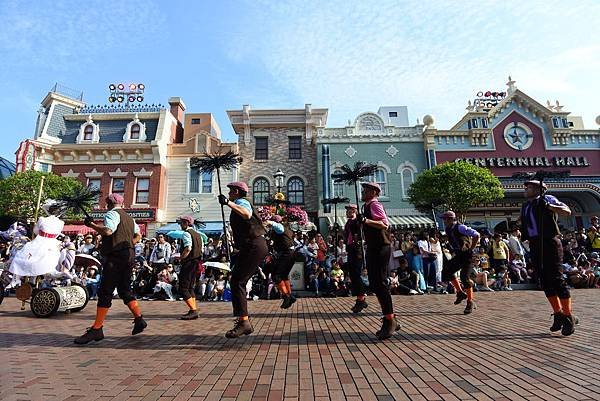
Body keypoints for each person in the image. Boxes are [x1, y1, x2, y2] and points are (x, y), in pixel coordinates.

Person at [74, 193, 146, 344]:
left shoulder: (111, 214)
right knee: (125, 290)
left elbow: (108, 231)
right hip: (128, 256)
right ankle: (139, 319)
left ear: (108, 204)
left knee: (105, 291)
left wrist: (91, 225)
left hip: (115, 257)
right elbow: (138, 235)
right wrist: (129, 244)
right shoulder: (129, 217)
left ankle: (97, 329)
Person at [520, 180, 577, 336]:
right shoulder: (526, 206)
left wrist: (551, 207)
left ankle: (568, 316)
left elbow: (566, 211)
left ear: (539, 189)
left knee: (557, 279)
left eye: (530, 187)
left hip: (550, 242)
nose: (526, 189)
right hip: (535, 244)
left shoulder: (547, 199)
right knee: (544, 280)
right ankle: (558, 313)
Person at [218, 182, 268, 338]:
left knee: (237, 281)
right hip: (251, 246)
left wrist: (228, 203)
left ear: (237, 192)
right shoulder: (237, 202)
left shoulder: (242, 201)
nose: (229, 194)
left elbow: (246, 214)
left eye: (231, 191)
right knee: (236, 280)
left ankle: (244, 323)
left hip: (254, 245)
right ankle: (243, 321)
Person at [360, 182, 399, 340]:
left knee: (380, 282)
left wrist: (366, 221)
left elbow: (384, 223)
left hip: (381, 247)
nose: (363, 192)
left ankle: (390, 320)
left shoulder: (375, 205)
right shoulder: (366, 206)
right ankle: (390, 318)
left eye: (366, 190)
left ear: (374, 192)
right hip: (373, 247)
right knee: (375, 283)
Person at [440, 211, 481, 314]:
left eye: (446, 219)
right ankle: (460, 292)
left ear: (451, 219)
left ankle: (470, 301)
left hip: (468, 255)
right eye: (444, 219)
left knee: (464, 277)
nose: (444, 221)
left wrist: (471, 248)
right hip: (459, 255)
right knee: (447, 271)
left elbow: (476, 235)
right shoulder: (447, 229)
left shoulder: (460, 227)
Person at [265, 214, 296, 309]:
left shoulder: (281, 228)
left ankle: (286, 296)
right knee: (283, 275)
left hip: (287, 254)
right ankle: (290, 296)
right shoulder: (284, 230)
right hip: (290, 253)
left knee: (276, 276)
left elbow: (279, 227)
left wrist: (269, 222)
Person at [177, 215, 203, 320]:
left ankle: (193, 310)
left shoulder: (186, 234)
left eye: (181, 223)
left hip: (188, 263)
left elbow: (188, 248)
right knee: (190, 287)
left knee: (183, 288)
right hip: (196, 263)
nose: (180, 225)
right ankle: (193, 309)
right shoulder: (198, 235)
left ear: (186, 223)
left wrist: (180, 258)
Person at [342, 204, 368, 313]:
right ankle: (360, 299)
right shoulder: (348, 222)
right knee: (353, 274)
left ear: (354, 211)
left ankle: (361, 299)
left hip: (357, 250)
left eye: (350, 210)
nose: (347, 212)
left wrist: (359, 219)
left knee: (356, 274)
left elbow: (361, 232)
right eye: (347, 210)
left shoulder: (357, 221)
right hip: (351, 249)